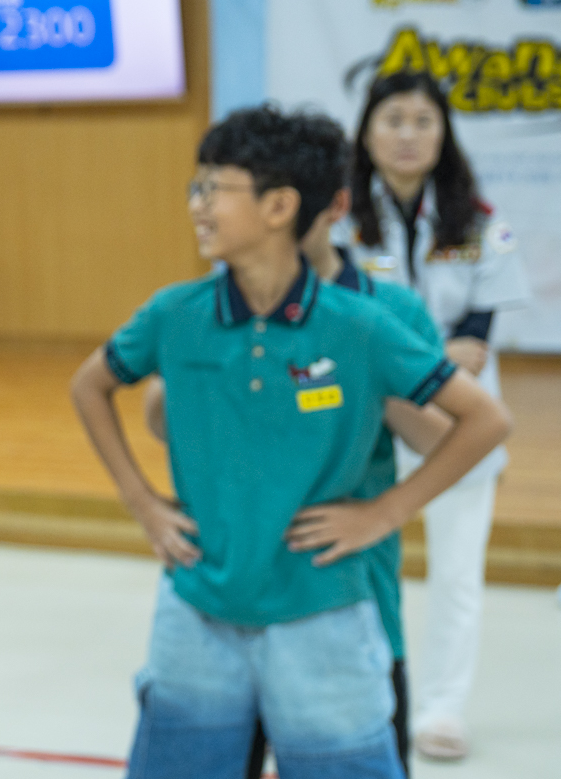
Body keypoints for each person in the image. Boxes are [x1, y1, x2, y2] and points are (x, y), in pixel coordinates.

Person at [70, 104, 509, 779]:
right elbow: (107, 393)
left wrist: (385, 511)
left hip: (326, 604)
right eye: (197, 186)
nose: (198, 204)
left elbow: (480, 423)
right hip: (199, 603)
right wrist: (144, 503)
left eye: (215, 187)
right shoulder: (177, 313)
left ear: (284, 207)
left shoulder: (367, 320)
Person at [144, 177, 457, 777]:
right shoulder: (212, 305)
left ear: (325, 206)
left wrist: (354, 369)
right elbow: (160, 421)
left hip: (341, 593)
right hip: (227, 599)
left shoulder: (384, 312)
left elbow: (446, 437)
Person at [338, 71, 529, 762]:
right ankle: (368, 694)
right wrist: (426, 355)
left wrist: (417, 357)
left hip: (458, 426)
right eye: (393, 119)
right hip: (369, 419)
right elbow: (340, 317)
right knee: (364, 562)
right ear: (367, 132)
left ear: (444, 133)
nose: (408, 135)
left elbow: (474, 345)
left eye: (423, 121)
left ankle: (442, 708)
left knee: (456, 572)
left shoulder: (477, 220)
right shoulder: (339, 222)